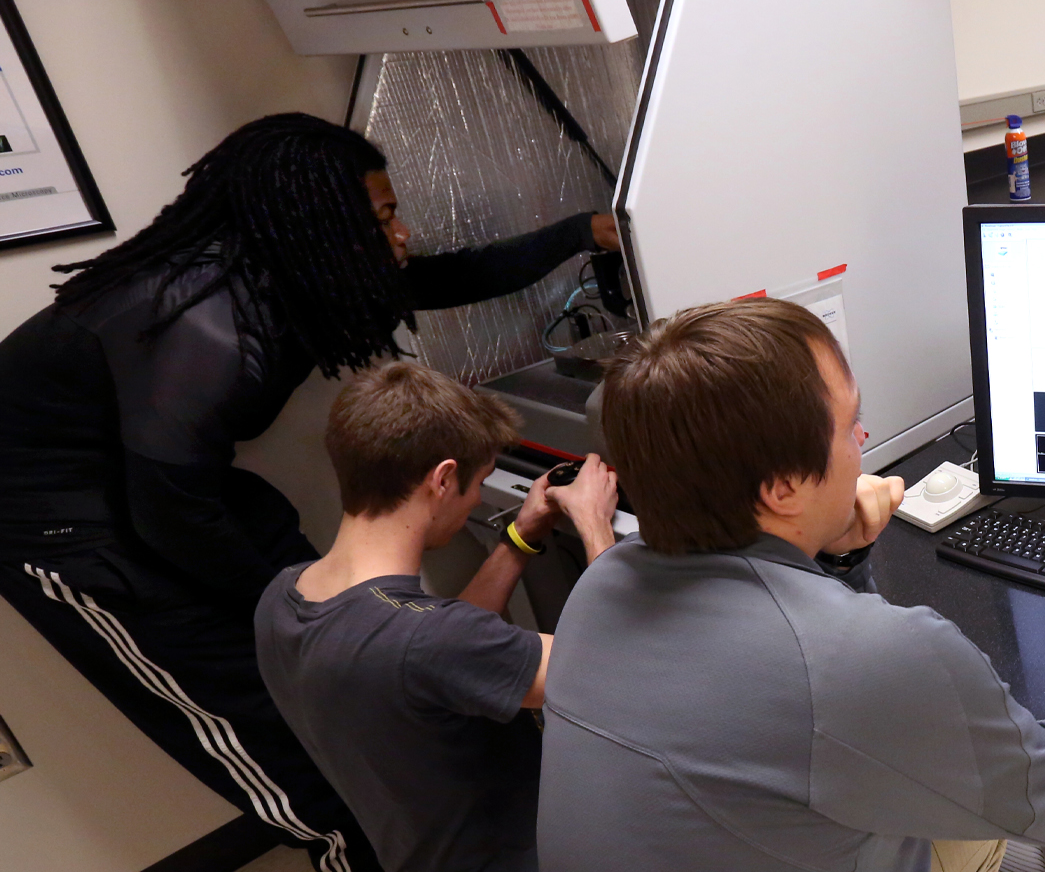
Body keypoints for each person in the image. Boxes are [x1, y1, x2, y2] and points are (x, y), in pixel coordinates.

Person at [0, 113, 620, 870]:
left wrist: (581, 231)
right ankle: (343, 846)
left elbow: (435, 277)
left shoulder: (288, 269)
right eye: (384, 217)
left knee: (332, 657)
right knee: (280, 731)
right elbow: (170, 512)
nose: (400, 236)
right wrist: (311, 632)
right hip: (65, 529)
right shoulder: (201, 327)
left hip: (174, 489)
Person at [537, 298, 1045, 872]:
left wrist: (828, 551)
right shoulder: (873, 655)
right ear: (783, 486)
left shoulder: (604, 586)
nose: (862, 449)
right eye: (850, 428)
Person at [255, 362, 618, 872]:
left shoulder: (283, 597)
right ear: (443, 479)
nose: (475, 496)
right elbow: (620, 671)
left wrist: (521, 535)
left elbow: (430, 657)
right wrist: (596, 527)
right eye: (479, 483)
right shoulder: (431, 640)